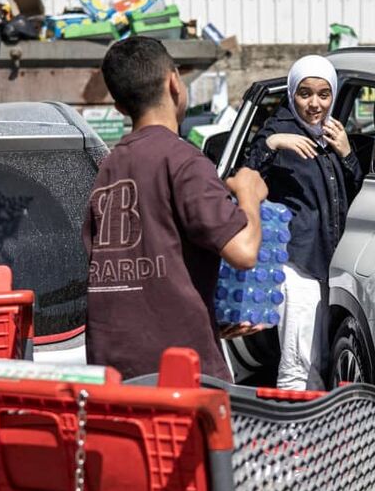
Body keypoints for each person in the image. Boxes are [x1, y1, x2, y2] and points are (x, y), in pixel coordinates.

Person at [83, 36, 267, 381]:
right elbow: (243, 251)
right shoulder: (183, 160)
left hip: (113, 376)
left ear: (120, 107)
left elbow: (137, 271)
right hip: (182, 378)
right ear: (174, 82)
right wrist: (249, 195)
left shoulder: (107, 169)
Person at [245, 55, 363, 390]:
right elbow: (245, 180)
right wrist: (272, 144)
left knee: (320, 360)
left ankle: (313, 434)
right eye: (305, 93)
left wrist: (346, 152)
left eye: (324, 94)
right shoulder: (276, 132)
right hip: (296, 262)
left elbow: (356, 190)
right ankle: (293, 438)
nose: (315, 104)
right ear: (292, 94)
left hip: (333, 261)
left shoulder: (334, 133)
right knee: (299, 362)